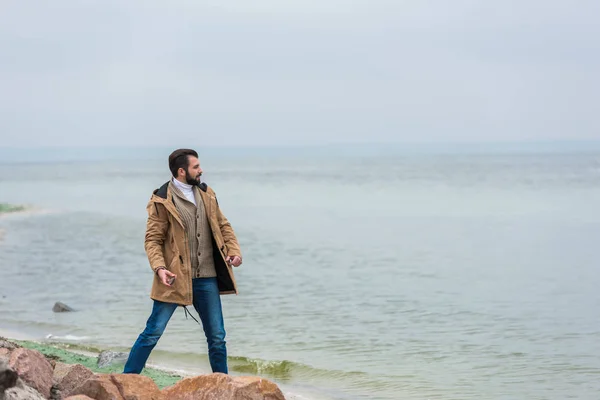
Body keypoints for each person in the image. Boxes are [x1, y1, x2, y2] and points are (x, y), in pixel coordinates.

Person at [123, 148, 242, 375]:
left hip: (207, 278)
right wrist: (159, 268)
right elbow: (153, 240)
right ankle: (127, 379)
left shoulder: (207, 193)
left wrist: (234, 251)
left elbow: (223, 225)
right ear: (181, 171)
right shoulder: (162, 199)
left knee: (217, 338)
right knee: (152, 333)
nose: (201, 170)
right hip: (174, 278)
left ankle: (223, 386)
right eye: (196, 167)